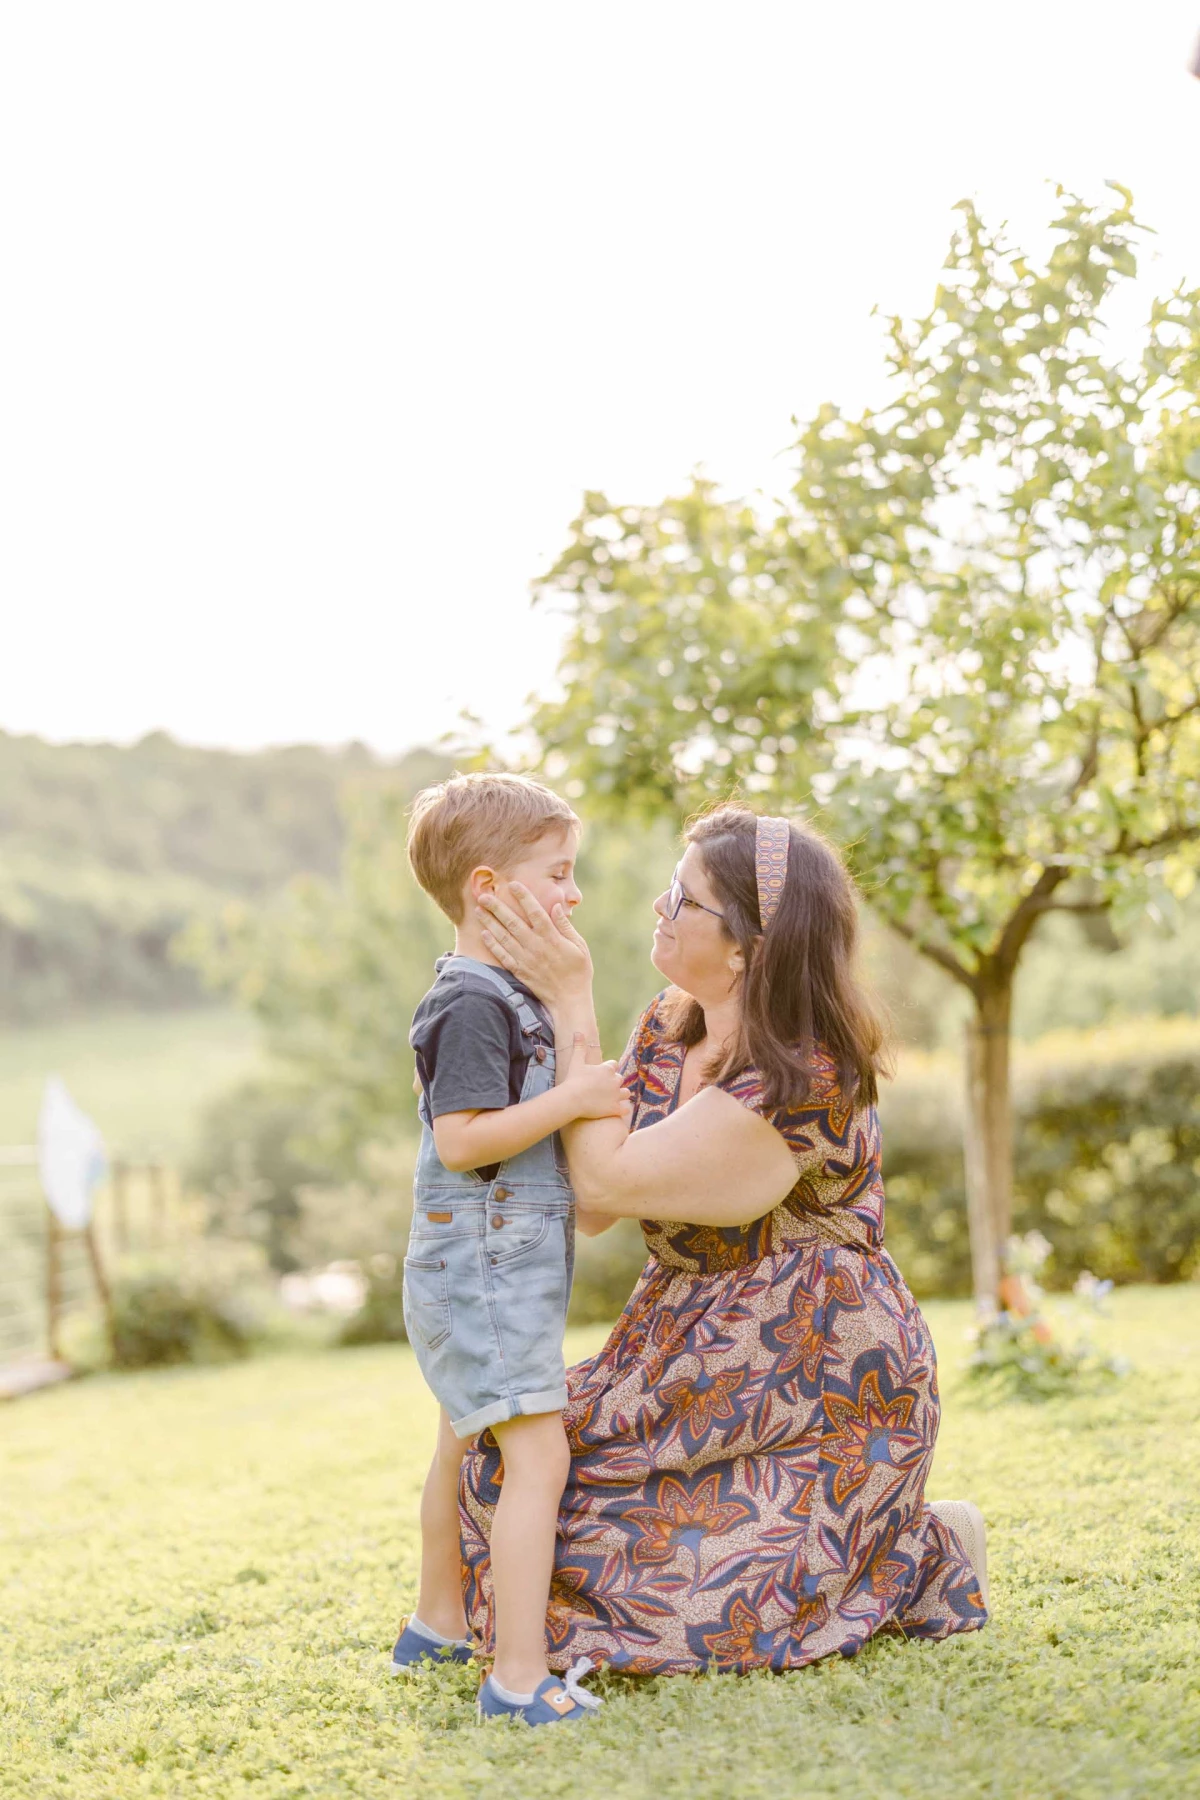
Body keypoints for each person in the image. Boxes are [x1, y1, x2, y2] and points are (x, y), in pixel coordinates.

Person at [462, 804, 989, 1674]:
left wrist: (568, 997)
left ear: (747, 944)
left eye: (684, 897)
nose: (659, 909)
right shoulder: (665, 1034)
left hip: (818, 1385)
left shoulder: (808, 1073)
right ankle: (876, 1551)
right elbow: (594, 1212)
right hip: (678, 1359)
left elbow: (603, 1180)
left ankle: (920, 1548)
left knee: (693, 1617)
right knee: (508, 1474)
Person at [393, 773, 628, 1725]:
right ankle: (518, 1680)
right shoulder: (471, 1004)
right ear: (488, 888)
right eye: (558, 874)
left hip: (495, 1271)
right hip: (478, 1272)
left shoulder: (512, 996)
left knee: (459, 1434)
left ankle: (438, 1621)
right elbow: (461, 1140)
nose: (573, 895)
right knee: (540, 1461)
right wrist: (573, 1101)